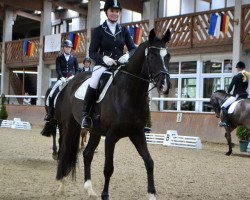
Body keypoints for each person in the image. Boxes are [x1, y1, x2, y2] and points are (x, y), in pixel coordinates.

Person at [81, 0, 136, 129]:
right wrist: (103, 58)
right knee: (94, 80)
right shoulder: (99, 30)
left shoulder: (123, 30)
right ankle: (86, 114)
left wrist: (127, 55)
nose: (114, 13)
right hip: (103, 65)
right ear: (106, 12)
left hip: (120, 64)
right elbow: (92, 52)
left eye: (117, 11)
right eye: (112, 10)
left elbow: (133, 48)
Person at [44, 39, 80, 121]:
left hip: (72, 78)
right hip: (62, 79)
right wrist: (61, 77)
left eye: (69, 47)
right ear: (63, 48)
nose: (68, 49)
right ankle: (50, 113)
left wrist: (74, 76)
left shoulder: (74, 58)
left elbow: (77, 69)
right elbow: (58, 69)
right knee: (52, 93)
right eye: (66, 47)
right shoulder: (59, 58)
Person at [219, 61, 249, 127]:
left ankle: (225, 122)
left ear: (238, 68)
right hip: (245, 96)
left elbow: (230, 87)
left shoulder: (236, 77)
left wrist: (228, 92)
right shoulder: (246, 77)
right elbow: (246, 87)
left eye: (237, 68)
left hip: (237, 96)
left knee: (223, 106)